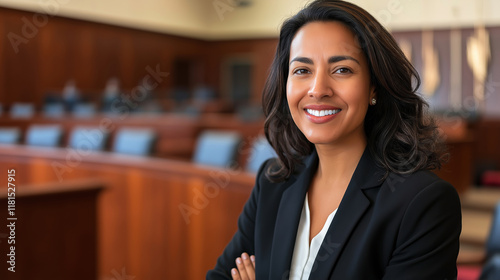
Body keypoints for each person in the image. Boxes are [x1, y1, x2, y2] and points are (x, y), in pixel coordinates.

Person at [207, 0, 462, 279]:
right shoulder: (273, 181)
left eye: (342, 70)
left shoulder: (422, 203)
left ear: (373, 86)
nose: (318, 90)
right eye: (302, 70)